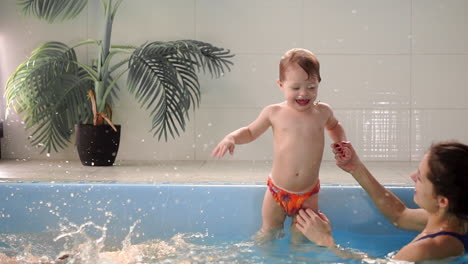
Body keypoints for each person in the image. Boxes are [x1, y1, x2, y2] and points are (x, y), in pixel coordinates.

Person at [211, 48, 347, 242]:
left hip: (308, 193)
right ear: (281, 85)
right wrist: (232, 137)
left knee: (301, 238)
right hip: (277, 192)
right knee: (268, 233)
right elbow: (250, 132)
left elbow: (335, 126)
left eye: (311, 86)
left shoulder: (323, 112)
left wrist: (341, 144)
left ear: (318, 84)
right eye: (295, 87)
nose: (303, 93)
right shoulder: (274, 112)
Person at [296, 141, 468, 262]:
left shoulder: (426, 248)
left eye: (421, 178)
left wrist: (326, 242)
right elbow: (399, 215)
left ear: (442, 201)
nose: (412, 177)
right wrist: (355, 167)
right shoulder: (456, 221)